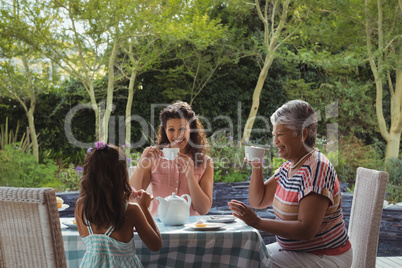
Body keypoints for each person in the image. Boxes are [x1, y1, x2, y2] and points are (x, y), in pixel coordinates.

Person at [229, 100, 353, 267]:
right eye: (274, 135)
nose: (275, 142)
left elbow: (306, 230)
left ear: (302, 134)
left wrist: (257, 223)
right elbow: (258, 201)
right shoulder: (291, 165)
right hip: (294, 251)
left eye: (280, 135)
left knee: (250, 264)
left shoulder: (317, 168)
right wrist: (256, 167)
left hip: (325, 256)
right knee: (239, 257)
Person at [75, 141, 162, 268]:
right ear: (121, 175)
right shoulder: (131, 210)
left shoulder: (80, 205)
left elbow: (85, 237)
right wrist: (144, 207)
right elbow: (156, 245)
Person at [130, 101, 214, 216]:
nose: (177, 135)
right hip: (159, 228)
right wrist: (141, 164)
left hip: (191, 229)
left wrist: (190, 177)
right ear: (165, 130)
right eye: (171, 129)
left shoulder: (206, 162)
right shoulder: (154, 158)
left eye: (182, 129)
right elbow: (131, 197)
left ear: (191, 128)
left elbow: (203, 210)